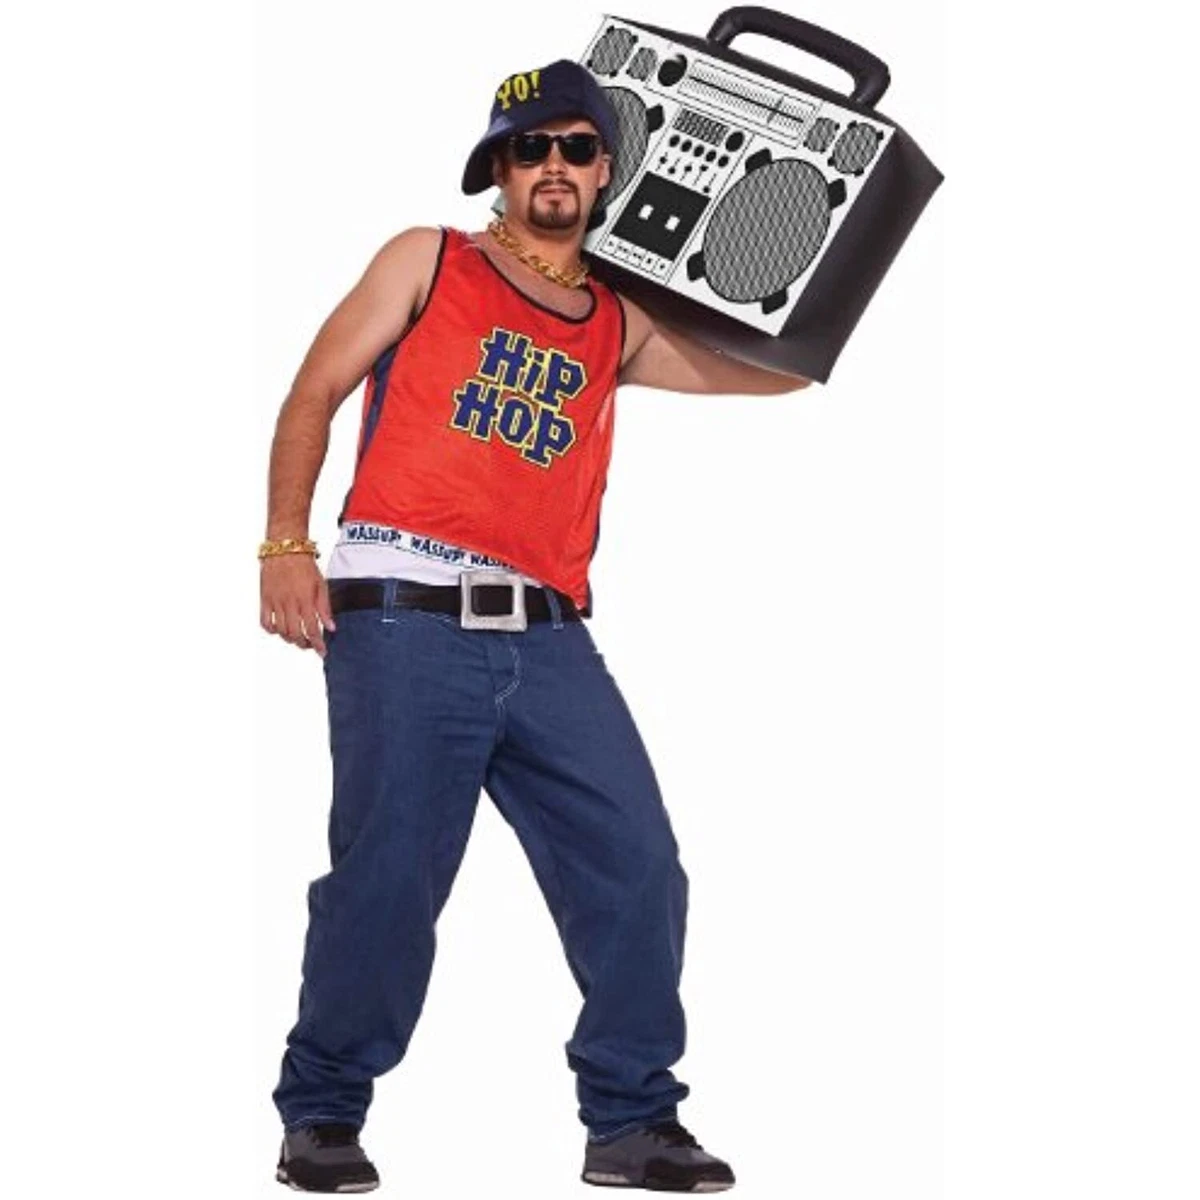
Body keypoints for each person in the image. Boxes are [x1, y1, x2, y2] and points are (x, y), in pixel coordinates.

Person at [262, 57, 811, 1194]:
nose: (553, 165)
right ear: (499, 171)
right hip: (405, 613)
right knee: (389, 877)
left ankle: (632, 1122)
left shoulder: (617, 322)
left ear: (606, 169)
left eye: (576, 147)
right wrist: (284, 546)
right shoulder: (429, 259)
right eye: (530, 149)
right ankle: (322, 1110)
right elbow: (312, 392)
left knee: (640, 866)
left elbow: (768, 375)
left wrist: (823, 275)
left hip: (550, 632)